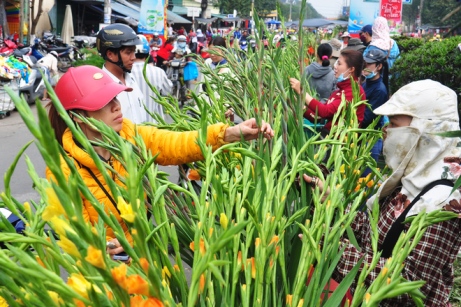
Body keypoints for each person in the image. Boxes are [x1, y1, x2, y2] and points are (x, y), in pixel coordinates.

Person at [48, 65, 274, 259]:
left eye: (114, 98)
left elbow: (175, 143)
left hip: (143, 252)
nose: (117, 106)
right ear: (77, 117)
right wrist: (104, 246)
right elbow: (77, 234)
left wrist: (231, 133)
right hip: (105, 274)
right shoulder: (63, 169)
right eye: (103, 103)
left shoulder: (128, 134)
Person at [303, 79, 461, 306]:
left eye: (394, 123)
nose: (386, 131)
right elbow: (372, 236)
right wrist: (331, 201)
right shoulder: (412, 178)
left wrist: (333, 251)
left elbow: (408, 282)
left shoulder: (444, 200)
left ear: (426, 130)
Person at [290, 49, 366, 133]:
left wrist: (302, 92)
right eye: (337, 63)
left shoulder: (353, 92)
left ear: (351, 69)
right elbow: (318, 117)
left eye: (339, 64)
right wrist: (300, 105)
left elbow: (325, 111)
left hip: (340, 142)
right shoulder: (339, 91)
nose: (335, 66)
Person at [96, 23, 145, 124]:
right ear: (110, 55)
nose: (133, 57)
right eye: (128, 52)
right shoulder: (101, 87)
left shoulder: (132, 79)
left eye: (134, 52)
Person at [132, 35, 172, 122]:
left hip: (131, 126)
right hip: (154, 126)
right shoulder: (159, 72)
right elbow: (168, 91)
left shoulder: (123, 72)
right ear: (147, 54)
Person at [361, 49, 388, 176]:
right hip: (362, 136)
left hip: (370, 140)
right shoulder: (366, 83)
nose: (365, 66)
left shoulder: (380, 90)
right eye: (365, 63)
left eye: (369, 64)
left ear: (379, 66)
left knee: (365, 181)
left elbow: (368, 117)